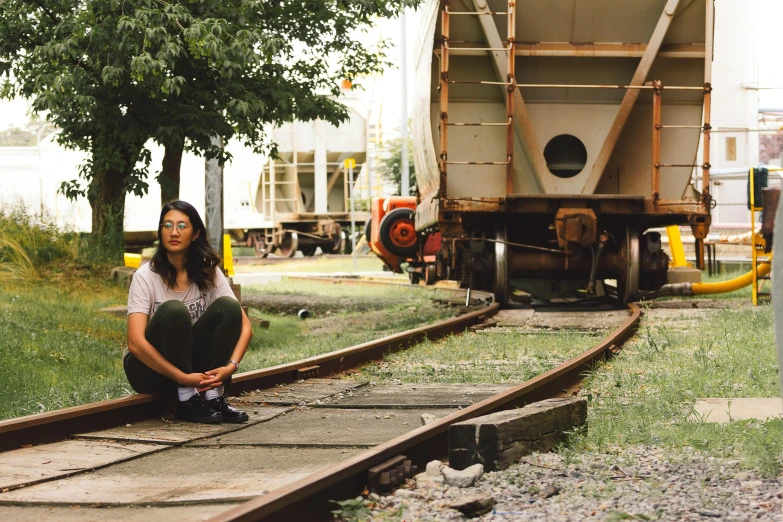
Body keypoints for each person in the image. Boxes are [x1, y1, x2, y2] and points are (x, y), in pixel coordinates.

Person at [123, 200, 253, 424]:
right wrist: (183, 378)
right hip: (147, 371)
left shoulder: (207, 271)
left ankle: (213, 397)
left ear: (195, 234)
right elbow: (135, 343)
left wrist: (230, 368)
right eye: (167, 226)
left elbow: (245, 327)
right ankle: (186, 400)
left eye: (182, 226)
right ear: (161, 232)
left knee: (229, 307)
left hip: (192, 369)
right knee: (174, 310)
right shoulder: (145, 276)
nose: (174, 232)